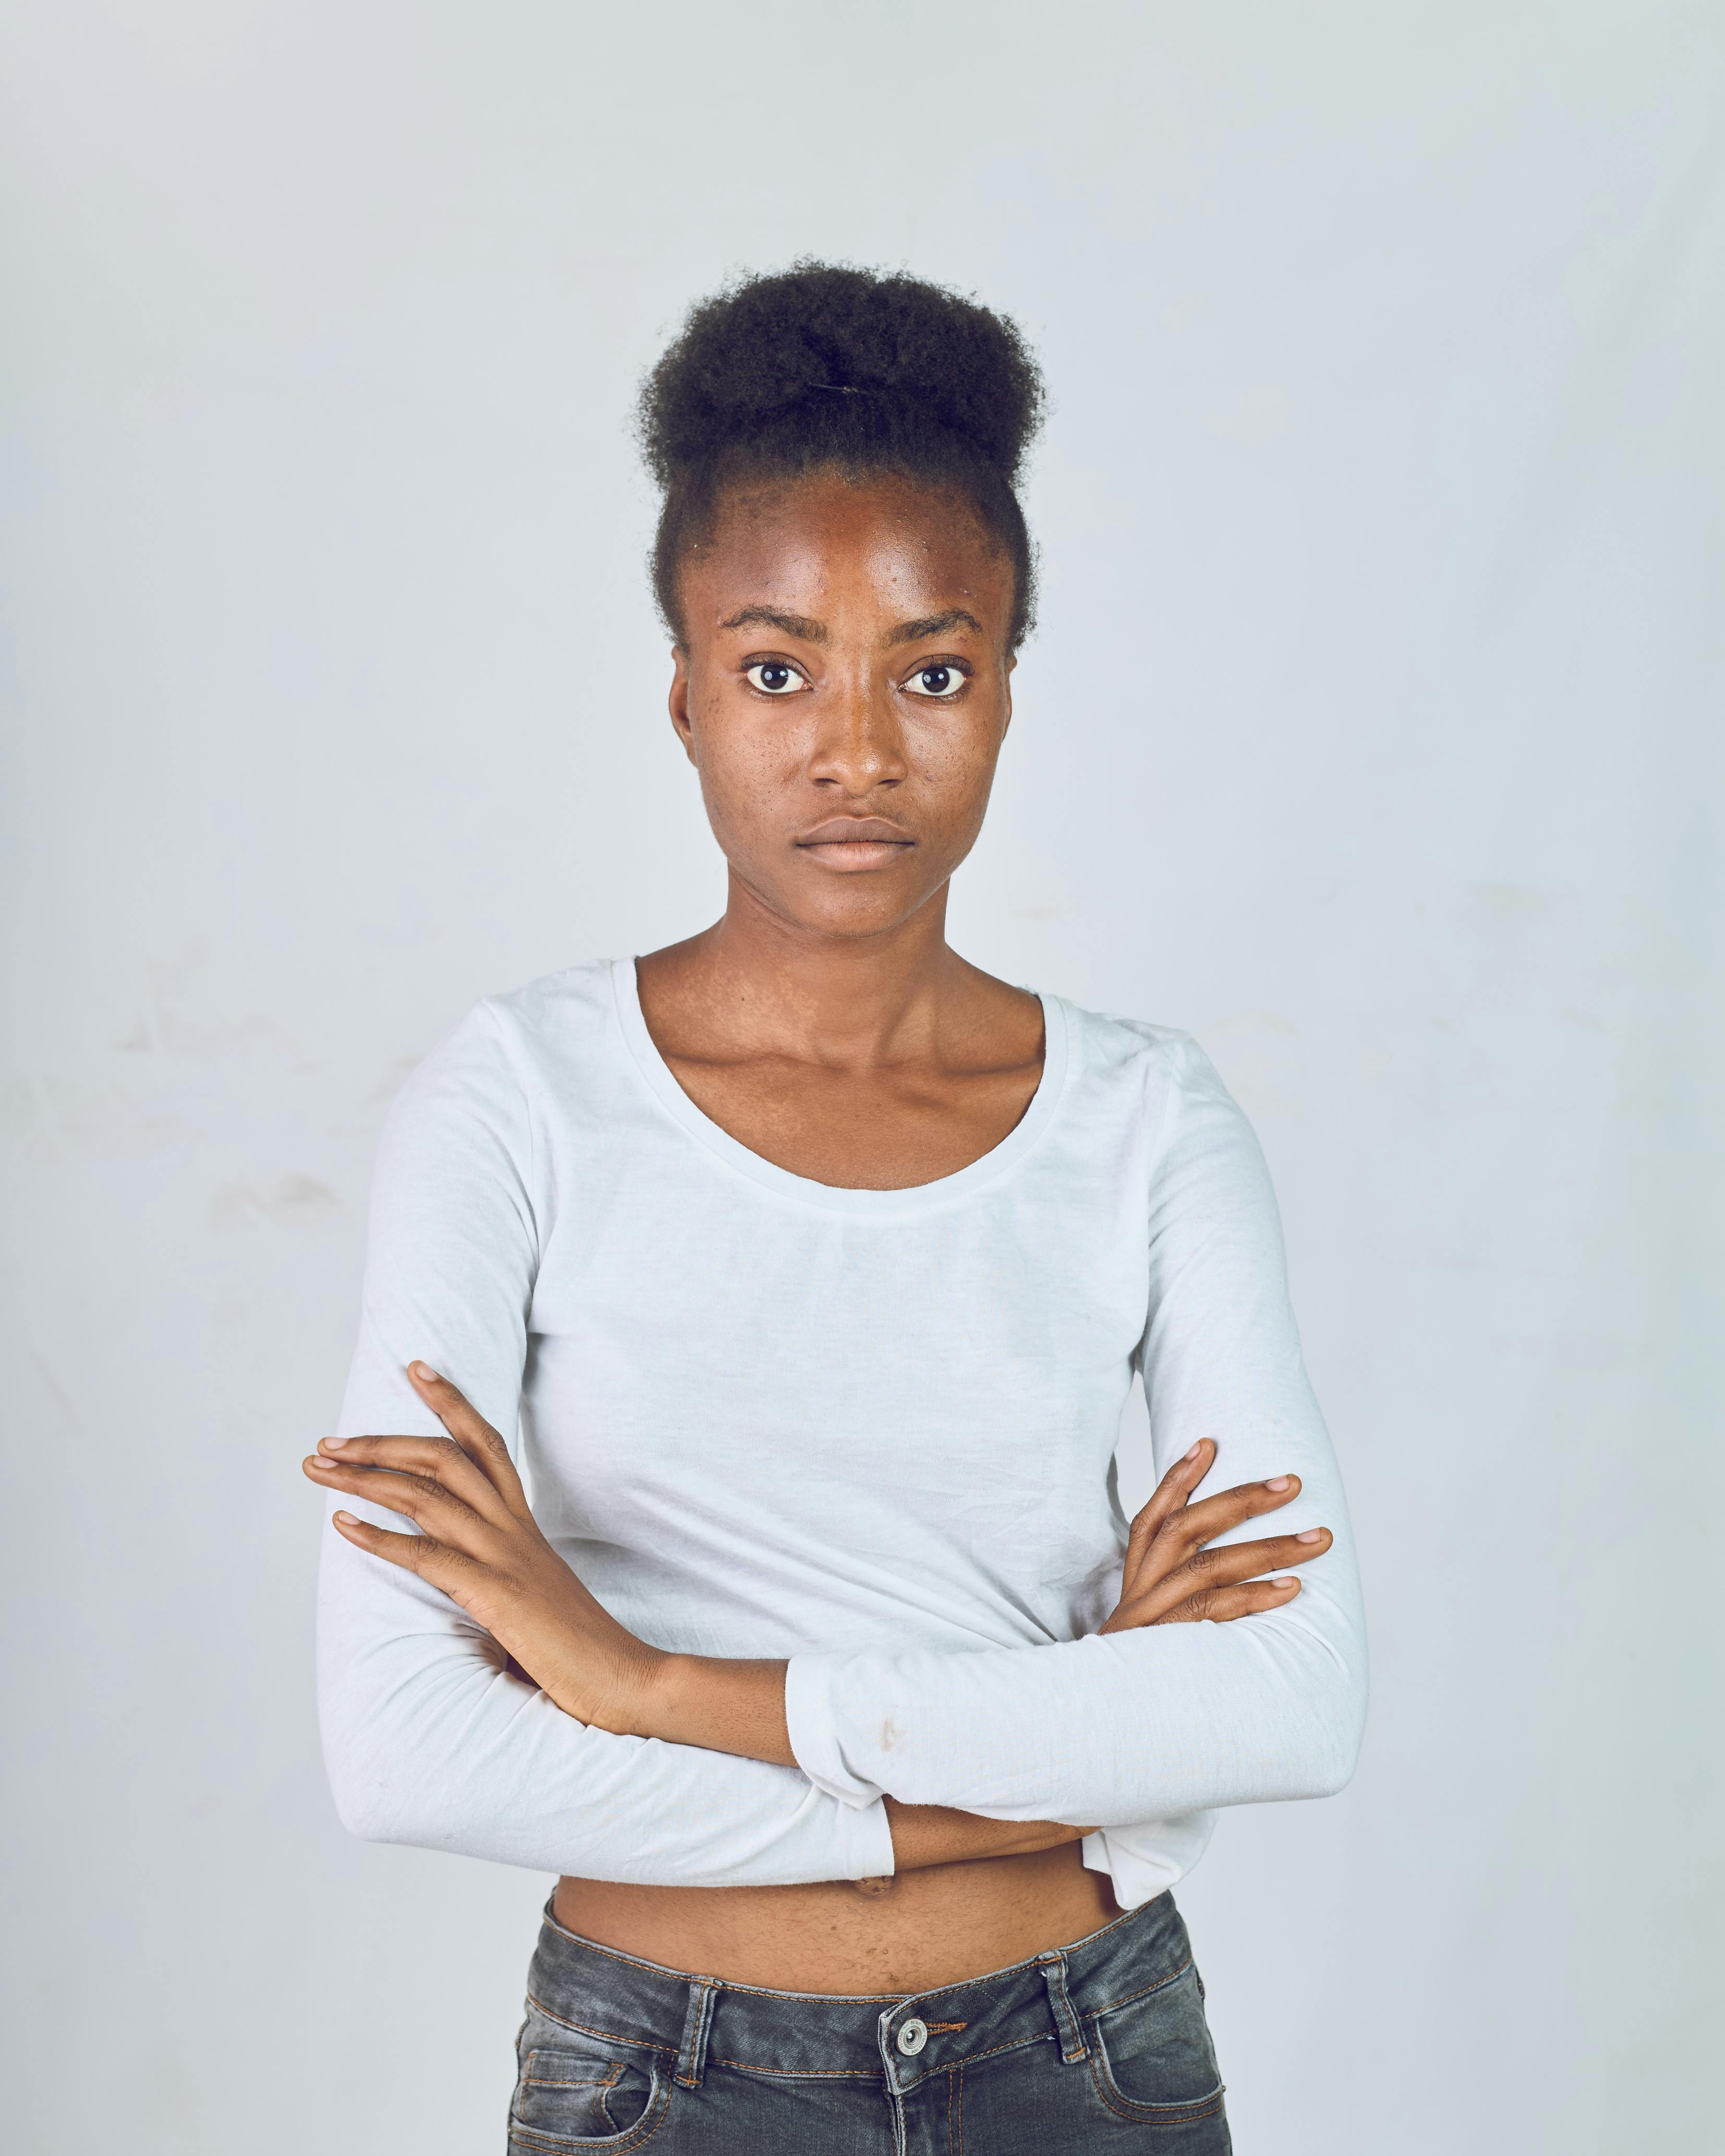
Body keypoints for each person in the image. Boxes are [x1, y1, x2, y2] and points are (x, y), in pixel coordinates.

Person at [306, 262, 1367, 2153]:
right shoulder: (519, 1099)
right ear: (688, 696)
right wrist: (1070, 1752)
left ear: (1010, 689)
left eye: (931, 669)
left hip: (1090, 2066)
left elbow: (1287, 1699)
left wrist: (638, 1684)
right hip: (666, 2078)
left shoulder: (1143, 1119)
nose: (856, 749)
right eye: (777, 667)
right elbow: (408, 1749)